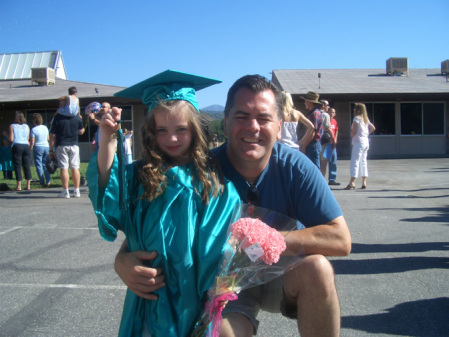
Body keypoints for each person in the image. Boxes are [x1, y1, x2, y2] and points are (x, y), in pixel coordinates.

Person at [114, 74, 351, 337]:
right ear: (224, 124)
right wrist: (122, 260)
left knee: (318, 270)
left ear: (279, 125)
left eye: (263, 118)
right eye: (241, 117)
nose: (253, 127)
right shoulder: (199, 172)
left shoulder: (296, 168)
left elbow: (340, 239)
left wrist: (268, 240)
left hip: (279, 274)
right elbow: (157, 226)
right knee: (223, 333)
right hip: (222, 283)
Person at [86, 70, 240, 337]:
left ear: (194, 130)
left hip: (193, 297)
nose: (172, 138)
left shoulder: (211, 181)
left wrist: (224, 287)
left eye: (181, 129)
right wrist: (108, 141)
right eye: (162, 131)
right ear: (150, 131)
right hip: (151, 295)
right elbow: (106, 185)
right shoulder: (138, 177)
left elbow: (227, 244)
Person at [49, 106, 85, 198]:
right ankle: (76, 191)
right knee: (75, 167)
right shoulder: (77, 117)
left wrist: (51, 149)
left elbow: (52, 135)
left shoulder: (57, 118)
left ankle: (66, 191)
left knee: (64, 168)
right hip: (74, 144)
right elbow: (81, 132)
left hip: (62, 144)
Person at [344, 103, 376, 190]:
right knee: (363, 161)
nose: (353, 110)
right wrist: (365, 134)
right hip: (366, 142)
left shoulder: (356, 118)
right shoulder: (365, 119)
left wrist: (353, 135)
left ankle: (352, 182)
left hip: (358, 142)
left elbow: (353, 132)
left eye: (355, 108)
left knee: (355, 161)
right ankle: (364, 181)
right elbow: (373, 128)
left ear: (357, 110)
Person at [6, 111, 32, 191]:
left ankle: (19, 185)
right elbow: (28, 138)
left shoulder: (12, 126)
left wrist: (5, 135)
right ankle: (28, 184)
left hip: (17, 145)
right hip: (25, 145)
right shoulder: (26, 126)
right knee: (26, 164)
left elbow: (11, 139)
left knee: (17, 165)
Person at [300, 91, 323, 168]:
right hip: (315, 143)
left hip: (312, 144)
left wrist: (304, 145)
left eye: (306, 101)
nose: (304, 103)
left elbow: (312, 132)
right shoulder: (317, 113)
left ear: (310, 102)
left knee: (313, 167)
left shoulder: (314, 114)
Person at [30, 113, 51, 187]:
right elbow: (48, 138)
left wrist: (30, 148)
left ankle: (42, 181)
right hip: (46, 146)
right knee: (45, 164)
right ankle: (48, 181)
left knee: (39, 165)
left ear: (34, 121)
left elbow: (32, 141)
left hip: (38, 147)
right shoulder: (45, 128)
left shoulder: (33, 129)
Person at [327, 108, 340, 185]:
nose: (331, 113)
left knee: (333, 162)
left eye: (333, 112)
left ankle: (332, 179)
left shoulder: (334, 121)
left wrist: (335, 139)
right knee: (324, 162)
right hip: (326, 144)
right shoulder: (325, 120)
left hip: (333, 144)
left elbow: (336, 130)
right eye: (330, 112)